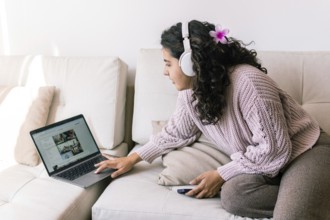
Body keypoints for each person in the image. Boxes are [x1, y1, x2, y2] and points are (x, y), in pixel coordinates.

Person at [95, 20, 330, 219]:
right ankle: (314, 196)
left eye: (168, 63)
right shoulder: (191, 94)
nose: (164, 72)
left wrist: (221, 173)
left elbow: (273, 150)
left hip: (305, 153)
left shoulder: (249, 82)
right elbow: (176, 133)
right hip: (269, 167)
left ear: (190, 62)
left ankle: (309, 195)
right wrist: (132, 158)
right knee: (233, 195)